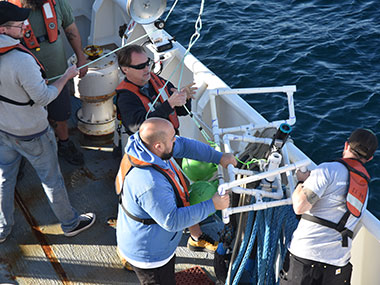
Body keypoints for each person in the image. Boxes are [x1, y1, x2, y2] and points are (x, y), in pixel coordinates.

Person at [0, 2, 95, 244]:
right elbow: (43, 97)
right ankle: (71, 223)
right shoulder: (21, 61)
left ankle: (2, 228)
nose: (23, 26)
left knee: (3, 178)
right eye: (18, 25)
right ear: (3, 30)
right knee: (51, 178)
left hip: (4, 129)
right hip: (32, 132)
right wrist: (66, 77)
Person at [115, 118, 237, 284]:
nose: (176, 140)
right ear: (158, 145)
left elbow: (184, 145)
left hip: (155, 240)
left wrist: (219, 157)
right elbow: (172, 221)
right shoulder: (150, 184)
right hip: (149, 254)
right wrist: (213, 205)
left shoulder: (145, 146)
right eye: (172, 139)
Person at [280, 128, 378, 285]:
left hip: (305, 256)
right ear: (370, 158)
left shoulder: (328, 170)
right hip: (338, 265)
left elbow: (299, 206)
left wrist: (301, 182)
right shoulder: (365, 188)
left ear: (346, 146)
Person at [9, 0, 89, 165]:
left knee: (60, 113)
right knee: (25, 117)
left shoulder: (58, 2)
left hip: (57, 73)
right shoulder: (7, 7)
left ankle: (64, 143)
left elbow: (71, 28)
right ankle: (22, 156)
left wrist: (81, 57)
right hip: (24, 78)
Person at [116, 44, 196, 136]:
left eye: (147, 63)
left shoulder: (157, 81)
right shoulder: (125, 98)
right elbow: (139, 127)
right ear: (125, 69)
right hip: (152, 147)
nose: (147, 69)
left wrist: (185, 98)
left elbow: (182, 111)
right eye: (140, 66)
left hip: (172, 139)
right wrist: (170, 104)